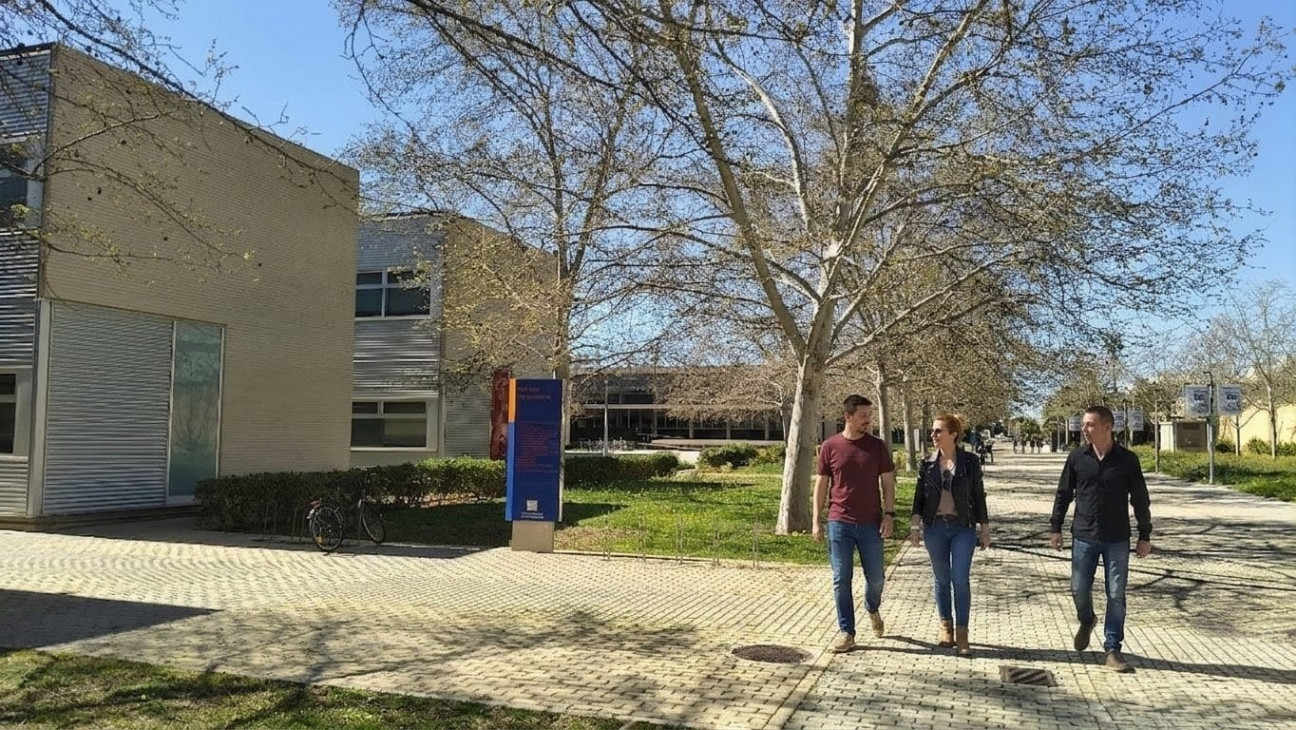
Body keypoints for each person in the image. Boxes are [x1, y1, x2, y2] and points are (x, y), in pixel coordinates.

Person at [1050, 405, 1153, 673]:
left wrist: (1145, 534)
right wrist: (1055, 527)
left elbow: (1140, 499)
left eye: (1090, 425)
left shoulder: (1127, 460)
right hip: (1084, 535)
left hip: (1116, 537)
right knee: (1078, 589)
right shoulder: (1077, 458)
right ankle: (1087, 619)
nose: (1084, 429)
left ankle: (1112, 648)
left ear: (1107, 427)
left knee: (1116, 593)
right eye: (1084, 424)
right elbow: (1063, 494)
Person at [812, 394, 897, 653]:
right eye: (863, 416)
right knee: (841, 578)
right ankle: (847, 632)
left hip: (871, 523)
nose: (868, 420)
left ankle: (872, 607)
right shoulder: (830, 446)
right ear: (847, 416)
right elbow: (821, 484)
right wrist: (816, 520)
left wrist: (889, 514)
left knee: (876, 579)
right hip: (839, 522)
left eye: (869, 415)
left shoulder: (877, 447)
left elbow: (887, 482)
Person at [910, 414, 991, 656]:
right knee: (942, 578)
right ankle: (946, 626)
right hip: (935, 528)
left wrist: (984, 527)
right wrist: (915, 526)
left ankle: (962, 632)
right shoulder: (927, 463)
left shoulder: (969, 462)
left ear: (953, 434)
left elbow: (978, 495)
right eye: (933, 431)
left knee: (960, 579)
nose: (933, 435)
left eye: (938, 431)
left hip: (962, 527)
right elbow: (918, 497)